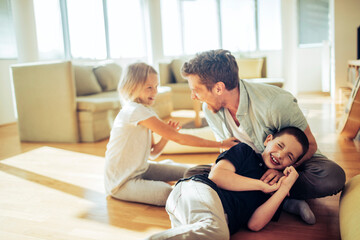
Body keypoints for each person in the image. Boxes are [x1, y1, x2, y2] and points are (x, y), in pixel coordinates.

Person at [180, 49, 346, 224]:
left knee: (332, 176)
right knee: (192, 174)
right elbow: (228, 152)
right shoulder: (210, 110)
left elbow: (310, 144)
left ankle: (277, 194)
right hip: (248, 167)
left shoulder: (275, 103)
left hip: (289, 162)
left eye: (196, 90)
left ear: (219, 88)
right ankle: (285, 200)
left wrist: (281, 171)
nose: (193, 96)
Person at [104, 62, 239, 206]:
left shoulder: (145, 111)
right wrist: (221, 144)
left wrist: (166, 137)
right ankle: (220, 198)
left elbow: (153, 153)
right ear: (131, 87)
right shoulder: (134, 111)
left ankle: (228, 181)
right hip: (121, 182)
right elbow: (180, 139)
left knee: (193, 171)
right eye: (149, 87)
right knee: (166, 193)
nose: (155, 92)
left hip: (142, 169)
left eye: (156, 86)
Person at [146, 127, 310, 240]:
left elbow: (255, 224)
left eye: (289, 156)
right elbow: (217, 176)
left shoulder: (276, 187)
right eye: (279, 145)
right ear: (268, 140)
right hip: (197, 190)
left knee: (214, 232)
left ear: (292, 164)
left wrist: (284, 188)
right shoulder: (244, 152)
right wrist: (261, 185)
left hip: (205, 219)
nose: (280, 155)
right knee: (217, 231)